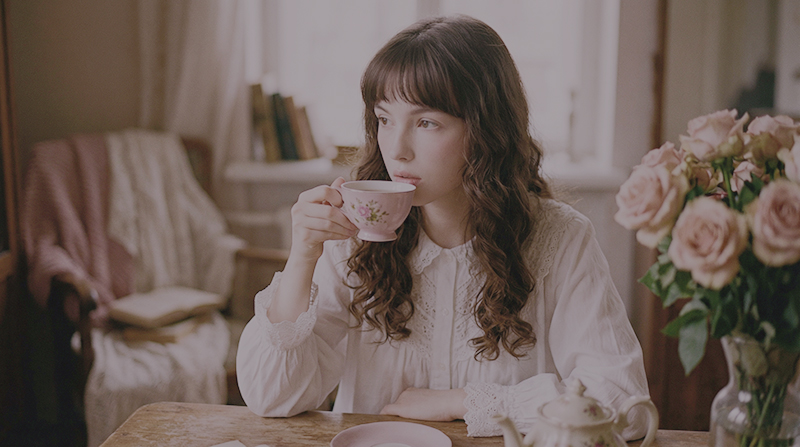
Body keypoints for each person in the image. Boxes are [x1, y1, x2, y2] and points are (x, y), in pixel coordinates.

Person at [236, 14, 650, 438]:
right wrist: (303, 257)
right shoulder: (351, 240)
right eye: (384, 119)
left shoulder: (559, 238)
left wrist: (464, 402)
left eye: (426, 122)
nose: (396, 149)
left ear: (486, 129)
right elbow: (272, 398)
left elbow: (623, 403)